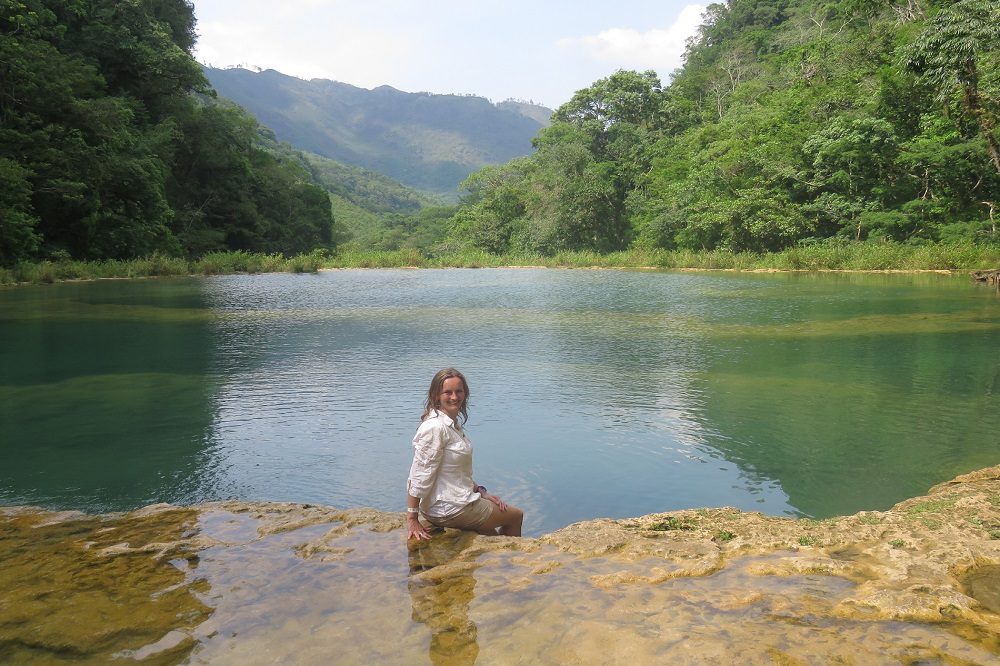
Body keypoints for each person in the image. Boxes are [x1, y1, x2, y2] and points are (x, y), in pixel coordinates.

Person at [406, 368, 523, 539]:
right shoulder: (435, 428)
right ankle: (510, 564)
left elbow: (455, 473)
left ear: (465, 393)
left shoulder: (450, 425)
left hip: (451, 503)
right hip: (451, 508)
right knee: (515, 516)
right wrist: (412, 518)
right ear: (436, 395)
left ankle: (501, 561)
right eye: (448, 392)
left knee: (491, 536)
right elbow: (418, 475)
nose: (454, 397)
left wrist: (482, 492)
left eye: (459, 391)